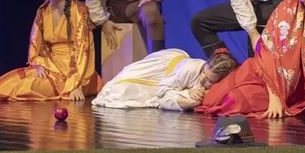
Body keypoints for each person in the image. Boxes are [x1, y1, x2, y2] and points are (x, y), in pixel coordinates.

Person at [91, 48, 238, 111]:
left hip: (172, 76)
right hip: (162, 71)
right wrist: (190, 99)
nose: (202, 80)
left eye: (210, 81)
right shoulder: (189, 71)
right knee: (120, 90)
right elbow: (162, 92)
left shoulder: (219, 86)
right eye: (204, 73)